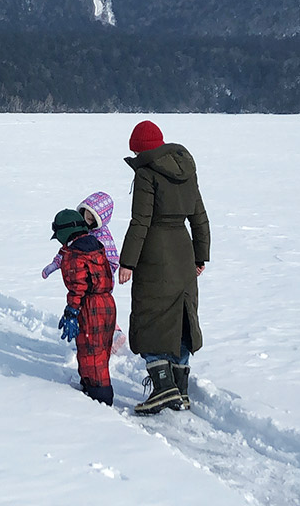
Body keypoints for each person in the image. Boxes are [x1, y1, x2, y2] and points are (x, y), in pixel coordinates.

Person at [118, 120, 210, 414]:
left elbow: (140, 222)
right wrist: (199, 256)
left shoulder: (147, 174)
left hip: (154, 253)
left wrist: (127, 262)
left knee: (151, 315)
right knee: (182, 317)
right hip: (183, 253)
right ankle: (180, 391)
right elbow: (200, 218)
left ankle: (162, 388)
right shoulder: (186, 171)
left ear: (140, 149)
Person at [42, 191, 127, 354]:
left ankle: (111, 336)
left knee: (94, 310)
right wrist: (55, 264)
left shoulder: (102, 236)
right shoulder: (80, 232)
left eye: (91, 220)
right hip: (85, 279)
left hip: (99, 282)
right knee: (88, 309)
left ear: (99, 220)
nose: (87, 223)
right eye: (85, 217)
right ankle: (89, 337)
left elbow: (113, 259)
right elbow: (68, 250)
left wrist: (100, 273)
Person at [51, 208, 117, 406]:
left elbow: (78, 287)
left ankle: (100, 396)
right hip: (107, 303)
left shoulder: (74, 254)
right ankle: (91, 385)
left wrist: (71, 311)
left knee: (90, 350)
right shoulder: (96, 245)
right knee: (101, 349)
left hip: (90, 306)